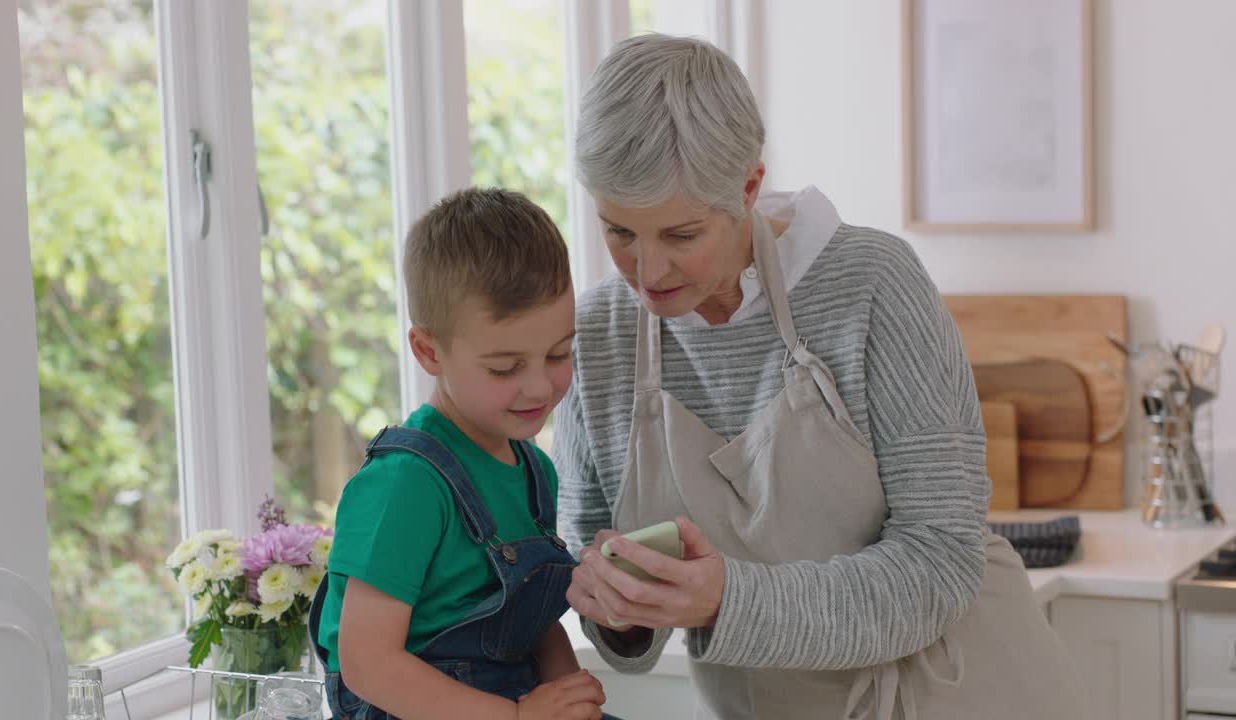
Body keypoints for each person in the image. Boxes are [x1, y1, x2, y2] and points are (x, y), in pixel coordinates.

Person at [554, 34, 1086, 719]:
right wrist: (620, 604)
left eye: (682, 236)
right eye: (619, 232)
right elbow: (594, 562)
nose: (648, 272)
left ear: (747, 187)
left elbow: (942, 560)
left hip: (965, 695)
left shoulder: (873, 285)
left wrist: (727, 598)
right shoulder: (598, 336)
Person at [310, 188, 607, 720]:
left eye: (559, 353)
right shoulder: (406, 485)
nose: (540, 386)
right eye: (505, 367)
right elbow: (367, 664)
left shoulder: (534, 470)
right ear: (429, 351)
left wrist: (567, 689)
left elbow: (531, 627)